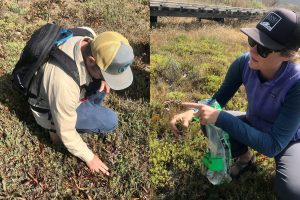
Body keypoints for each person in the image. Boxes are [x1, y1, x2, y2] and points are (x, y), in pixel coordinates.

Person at [170, 8, 300, 199]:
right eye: (252, 41)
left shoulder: (296, 84)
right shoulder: (244, 63)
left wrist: (220, 117)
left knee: (291, 192)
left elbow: (273, 146)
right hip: (255, 122)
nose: (252, 50)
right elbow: (218, 100)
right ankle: (246, 159)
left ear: (287, 56)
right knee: (210, 121)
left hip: (289, 141)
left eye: (264, 48)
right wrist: (194, 111)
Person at [28, 28, 134, 176]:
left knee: (100, 87)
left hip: (63, 93)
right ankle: (51, 129)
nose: (107, 78)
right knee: (110, 120)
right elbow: (66, 131)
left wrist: (105, 77)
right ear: (91, 61)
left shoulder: (88, 35)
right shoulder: (63, 84)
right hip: (49, 108)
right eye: (105, 72)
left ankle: (88, 107)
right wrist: (90, 158)